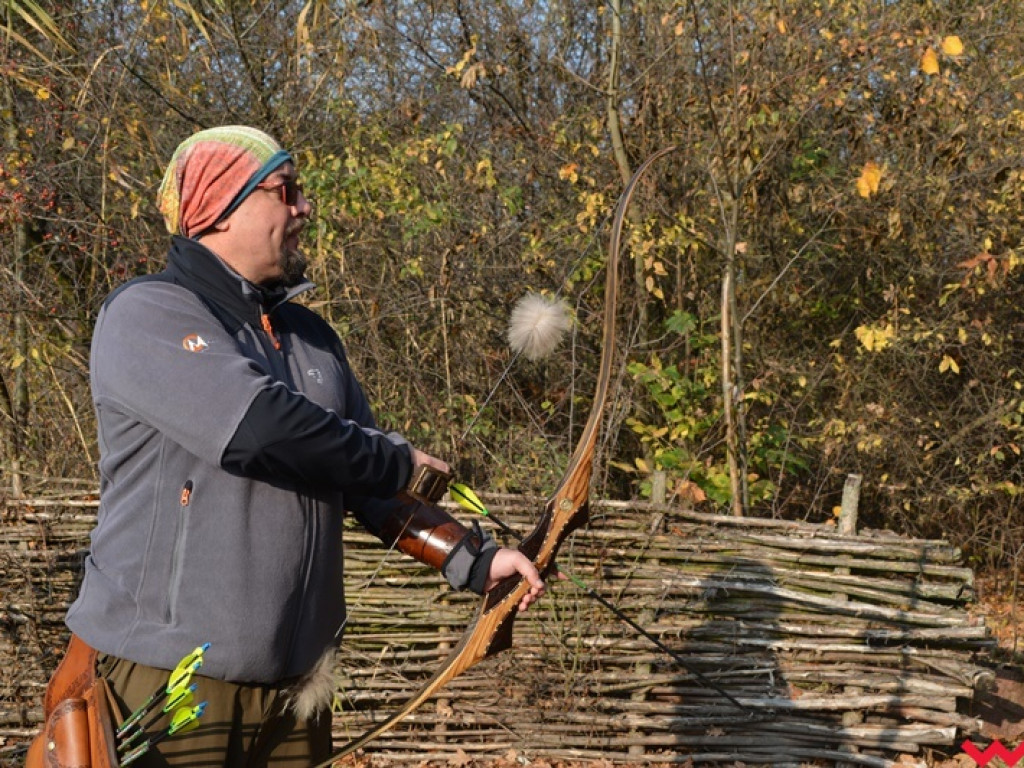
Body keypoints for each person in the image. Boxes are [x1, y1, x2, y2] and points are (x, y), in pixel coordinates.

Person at [59, 125, 545, 766]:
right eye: (285, 192)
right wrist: (396, 459)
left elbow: (364, 478)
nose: (303, 209)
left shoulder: (311, 338)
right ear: (220, 207)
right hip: (165, 682)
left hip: (295, 696)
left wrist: (477, 560)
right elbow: (263, 429)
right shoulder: (149, 313)